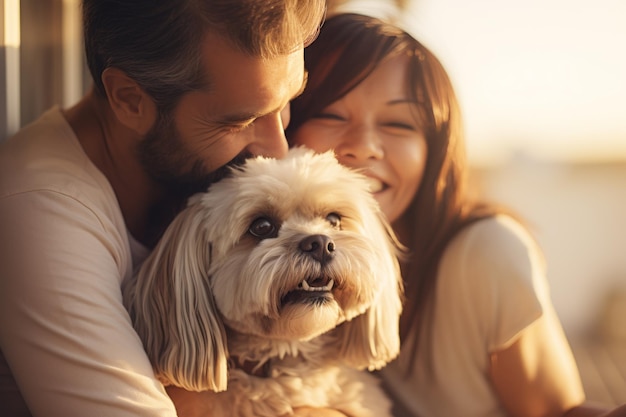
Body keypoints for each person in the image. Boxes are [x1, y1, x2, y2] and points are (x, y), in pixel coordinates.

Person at [286, 13, 626, 417]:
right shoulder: (260, 257)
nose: (364, 146)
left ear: (435, 150)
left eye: (398, 123)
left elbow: (556, 412)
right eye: (331, 115)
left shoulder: (485, 254)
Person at [0, 1, 328, 416]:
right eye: (238, 122)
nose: (278, 150)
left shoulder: (185, 176)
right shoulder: (39, 214)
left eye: (284, 105)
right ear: (130, 99)